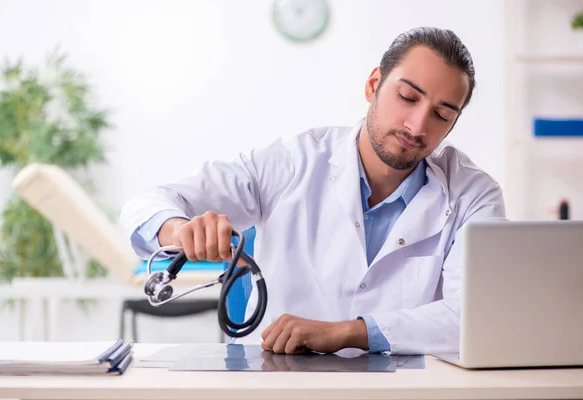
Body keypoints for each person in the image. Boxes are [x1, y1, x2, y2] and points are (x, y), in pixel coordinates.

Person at [119, 26, 506, 356]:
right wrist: (177, 231)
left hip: (406, 388)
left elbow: (474, 314)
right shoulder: (294, 162)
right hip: (279, 382)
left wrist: (348, 332)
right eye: (407, 97)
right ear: (374, 85)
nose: (417, 125)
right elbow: (145, 205)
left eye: (441, 115)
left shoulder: (472, 194)